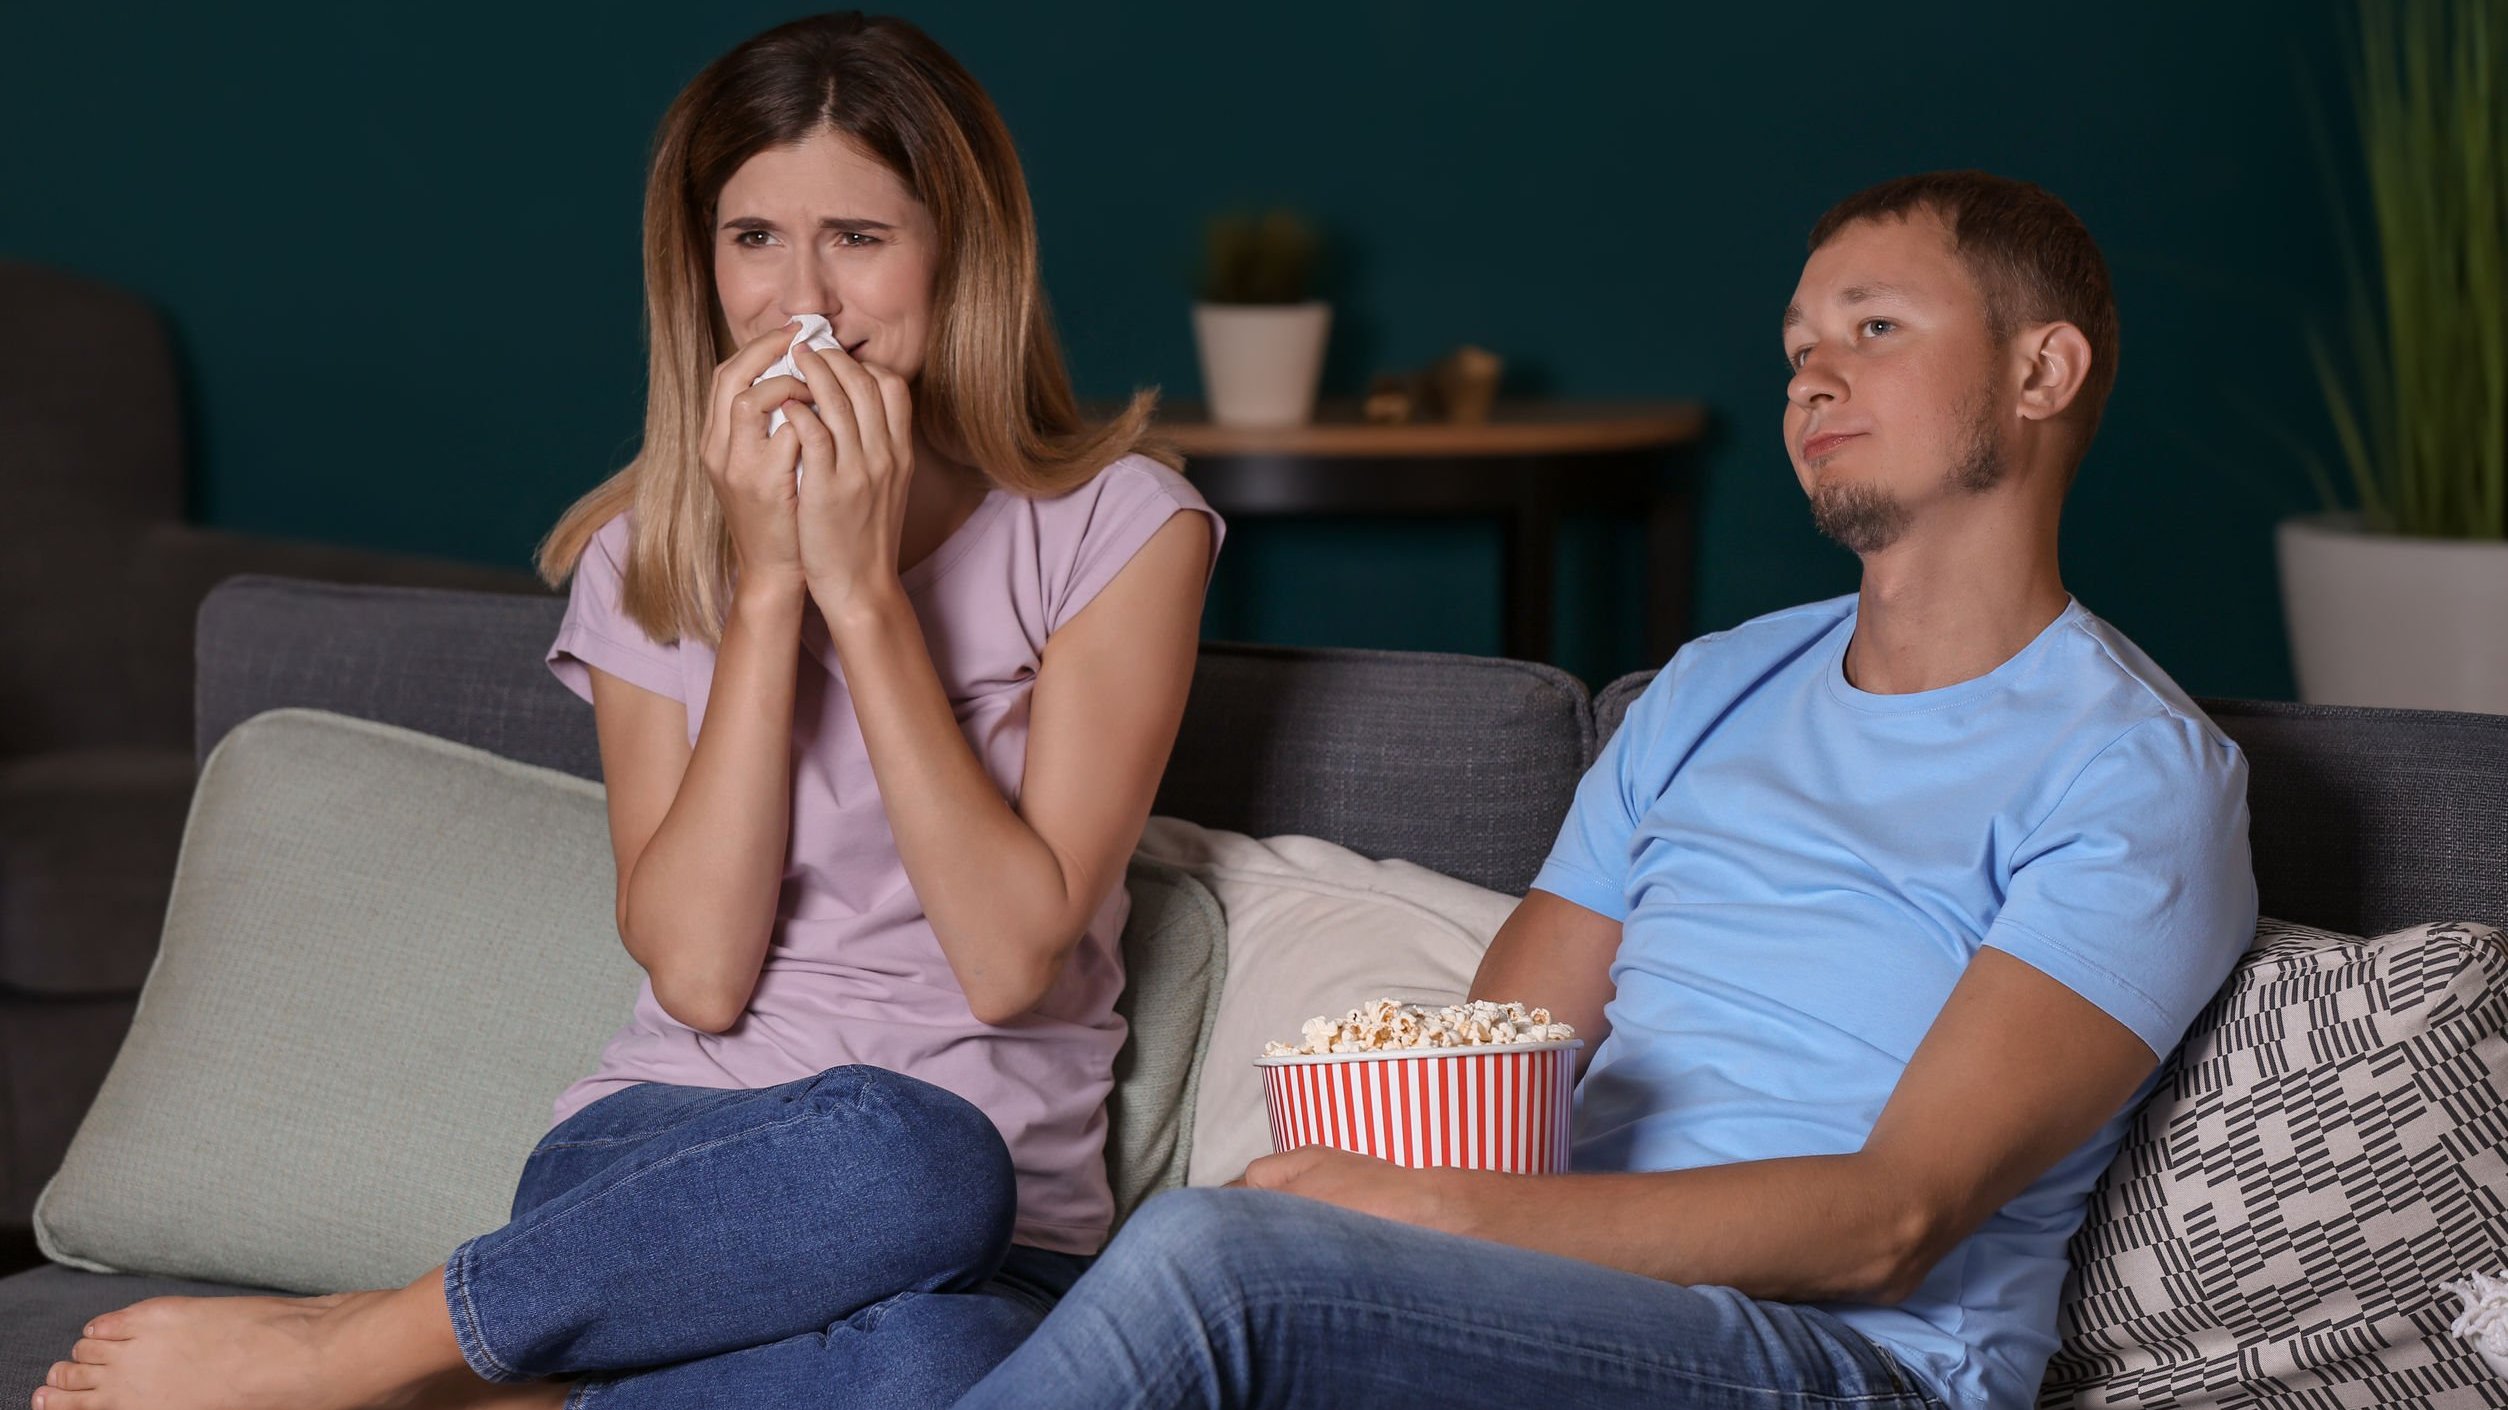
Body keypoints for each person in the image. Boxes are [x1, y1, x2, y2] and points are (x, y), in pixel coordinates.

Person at [35, 12, 1219, 1410]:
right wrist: (767, 592)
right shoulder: (643, 553)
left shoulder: (1119, 529)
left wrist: (866, 596)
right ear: (699, 263)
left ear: (961, 252)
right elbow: (703, 977)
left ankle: (454, 1370)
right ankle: (394, 1344)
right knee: (909, 1154)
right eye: (754, 239)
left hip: (990, 1233)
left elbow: (1013, 960)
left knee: (944, 1323)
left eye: (859, 235)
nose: (805, 303)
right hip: (664, 1182)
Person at [953, 171, 2257, 1410]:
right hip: (1560, 1305)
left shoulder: (2133, 771)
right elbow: (1498, 1062)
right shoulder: (1709, 690)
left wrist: (1423, 1222)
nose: (1814, 375)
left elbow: (1894, 1219)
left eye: (1874, 326)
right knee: (1179, 1257)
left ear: (2043, 368)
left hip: (1851, 1361)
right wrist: (1365, 1209)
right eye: (1799, 342)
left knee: (1211, 1264)